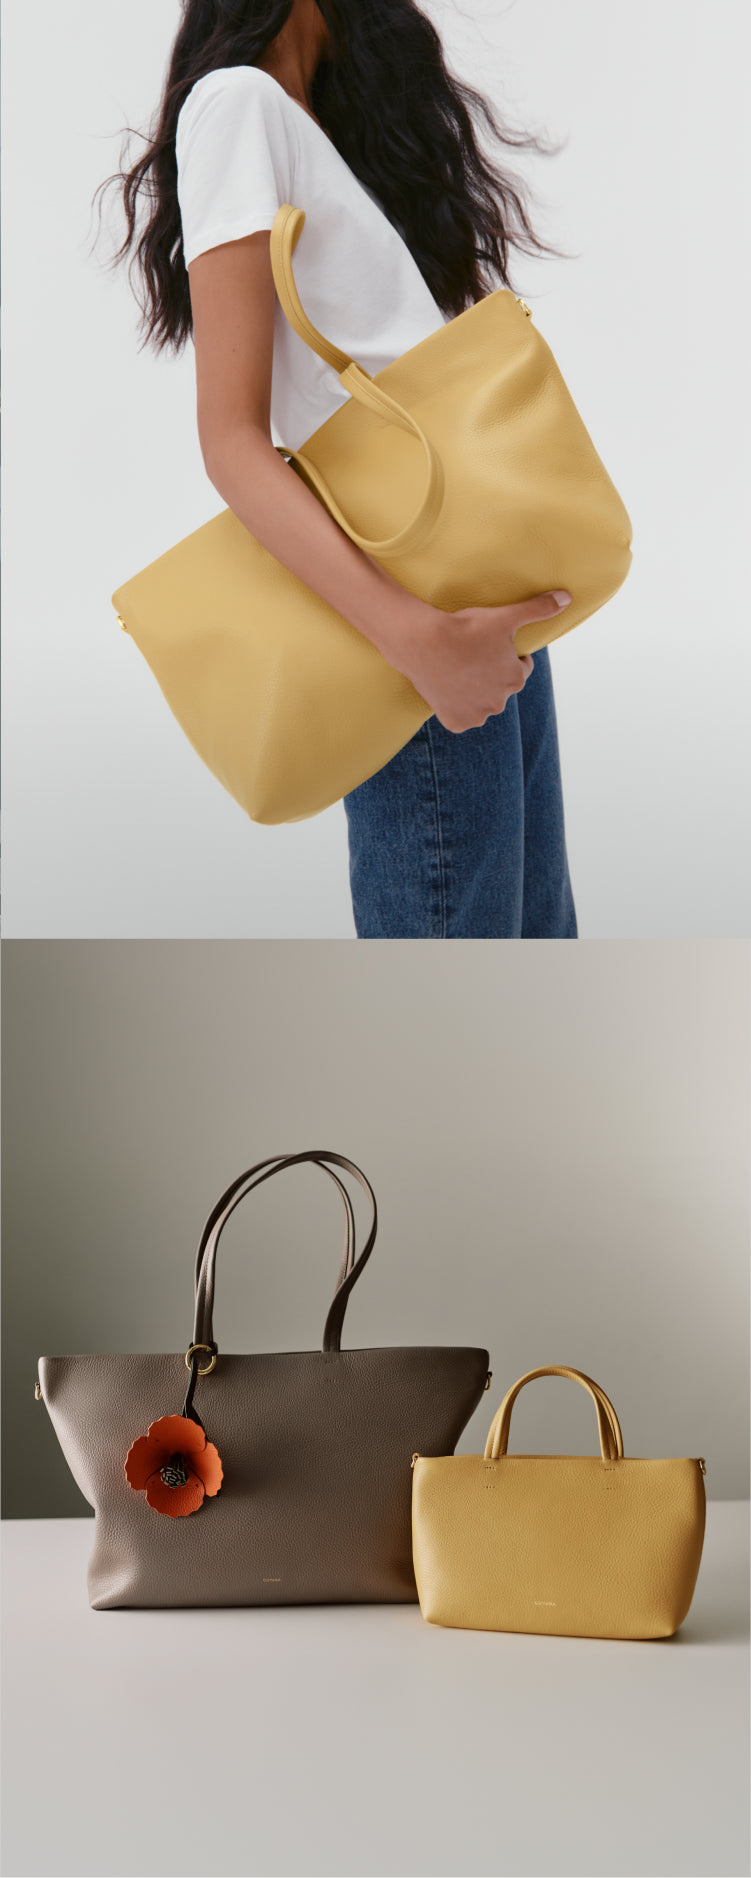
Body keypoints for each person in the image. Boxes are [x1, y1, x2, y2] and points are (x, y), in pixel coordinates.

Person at [104, 0, 577, 938]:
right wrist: (412, 638)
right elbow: (232, 445)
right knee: (446, 1009)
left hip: (468, 603)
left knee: (529, 965)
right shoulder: (236, 103)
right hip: (408, 612)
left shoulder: (321, 112)